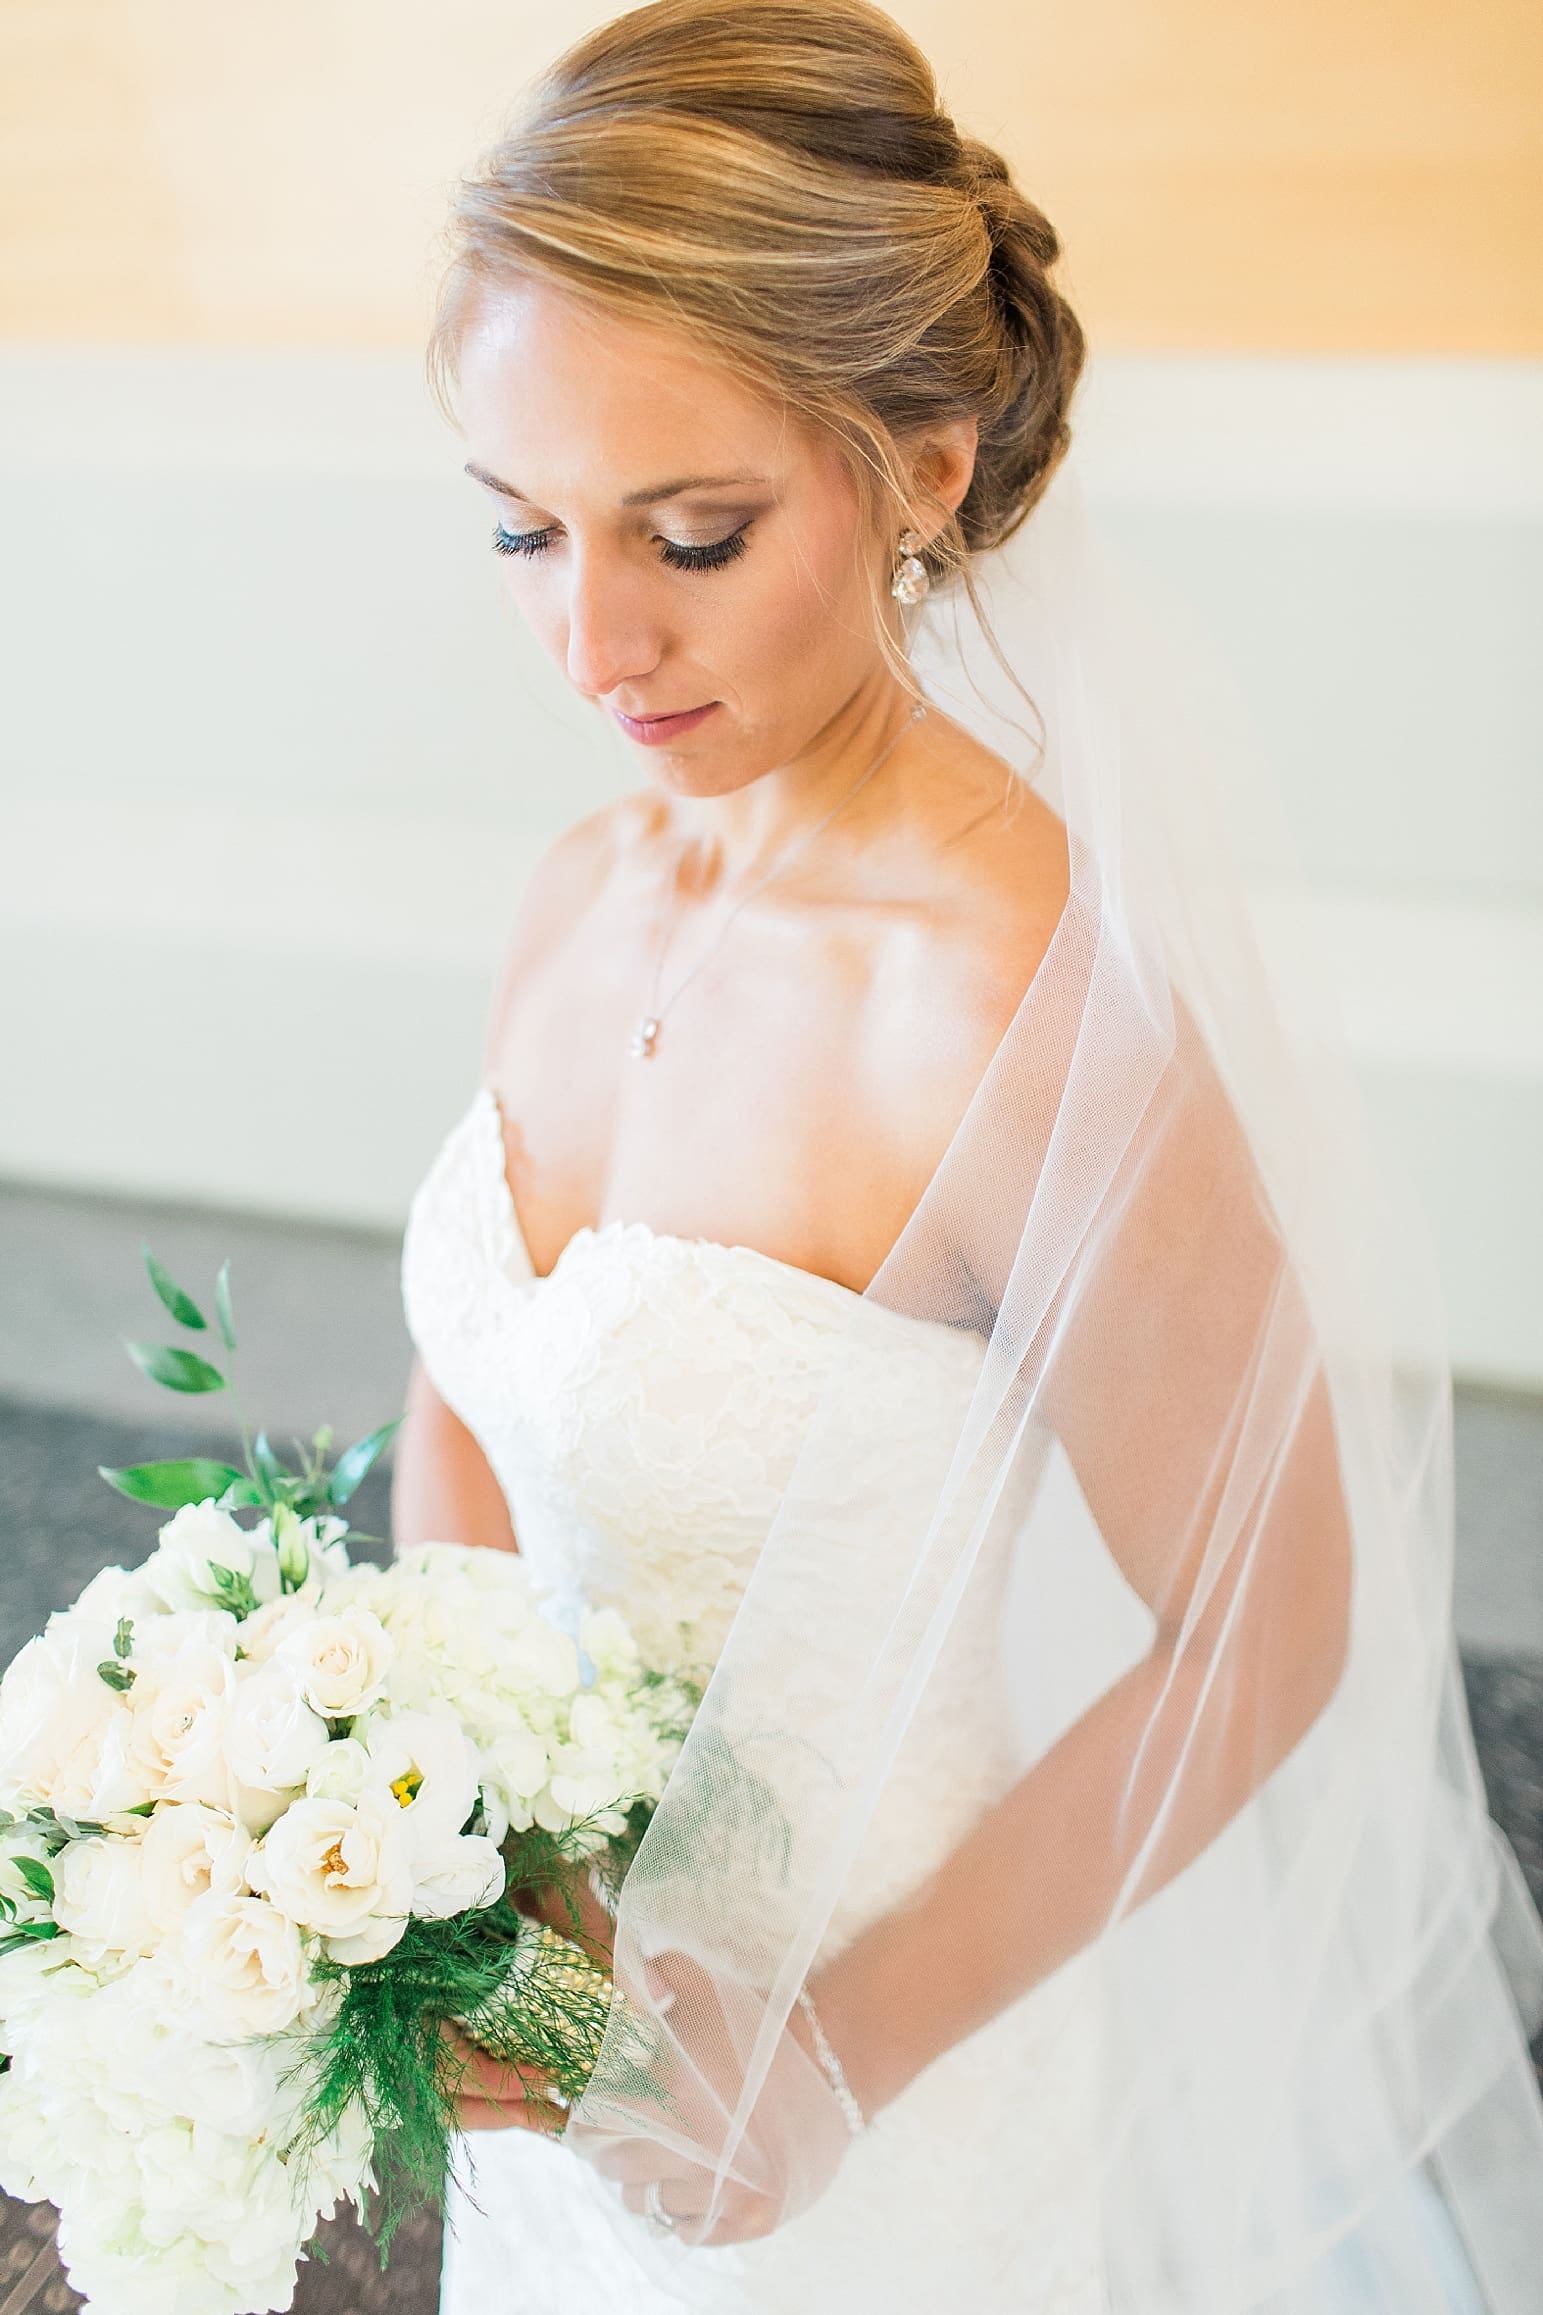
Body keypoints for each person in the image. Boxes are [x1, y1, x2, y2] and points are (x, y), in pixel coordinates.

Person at [392, 3, 1543, 2308]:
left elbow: (1266, 1627)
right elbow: (472, 1406)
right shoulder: (583, 884)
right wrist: (491, 1865)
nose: (592, 637)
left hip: (879, 2101)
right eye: (521, 525)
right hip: (564, 2029)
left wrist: (828, 2060)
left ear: (920, 469)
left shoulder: (1026, 1020)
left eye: (691, 535)